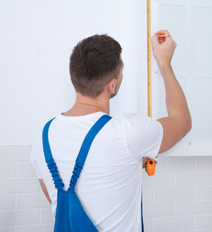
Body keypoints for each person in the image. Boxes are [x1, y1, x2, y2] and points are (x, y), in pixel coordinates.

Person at [31, 30, 191, 231]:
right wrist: (165, 64)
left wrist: (125, 163)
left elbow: (59, 201)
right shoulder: (127, 132)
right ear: (112, 86)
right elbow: (182, 121)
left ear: (74, 77)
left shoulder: (43, 136)